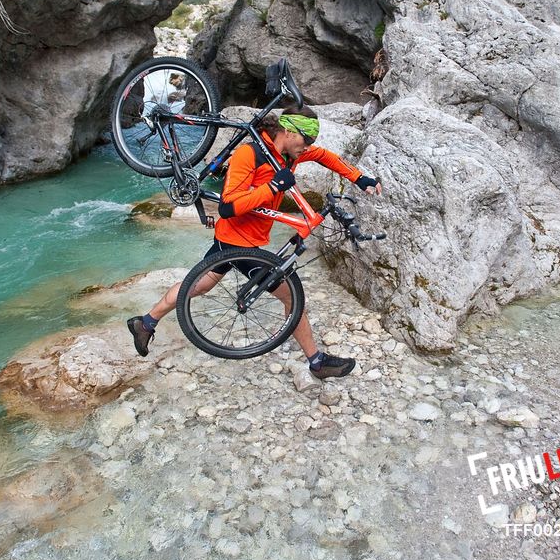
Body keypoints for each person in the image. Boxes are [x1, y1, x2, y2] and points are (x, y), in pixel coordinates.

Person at [128, 106, 382, 379]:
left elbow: (324, 156)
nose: (308, 146)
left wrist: (359, 178)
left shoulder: (287, 154)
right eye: (305, 140)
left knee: (199, 284)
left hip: (236, 241)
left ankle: (145, 322)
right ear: (287, 131)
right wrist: (272, 187)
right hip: (239, 243)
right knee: (292, 297)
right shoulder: (250, 154)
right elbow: (228, 206)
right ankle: (317, 362)